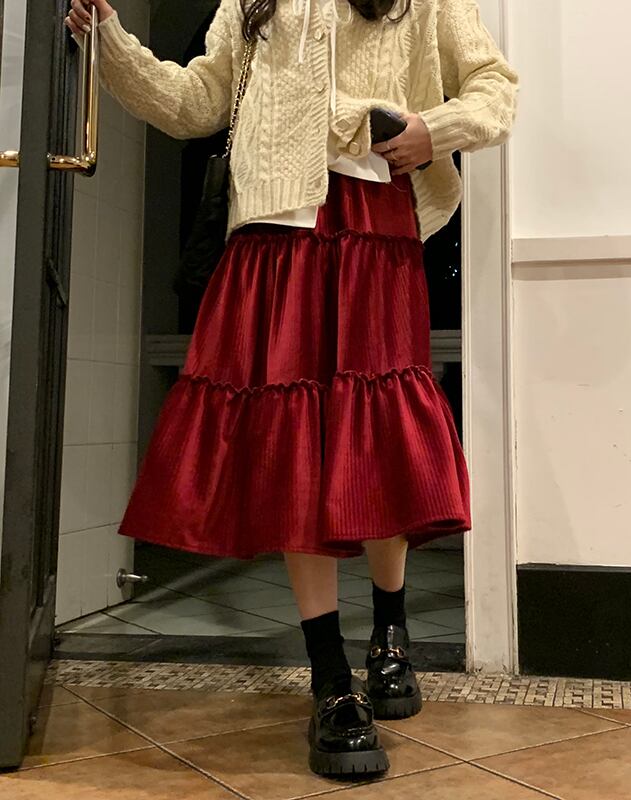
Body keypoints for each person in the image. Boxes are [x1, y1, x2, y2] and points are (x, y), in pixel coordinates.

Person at [66, 0, 517, 778]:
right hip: (273, 232)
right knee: (297, 448)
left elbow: (494, 86)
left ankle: (390, 631)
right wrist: (111, 39)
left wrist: (432, 130)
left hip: (375, 225)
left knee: (375, 434)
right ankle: (331, 677)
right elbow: (197, 101)